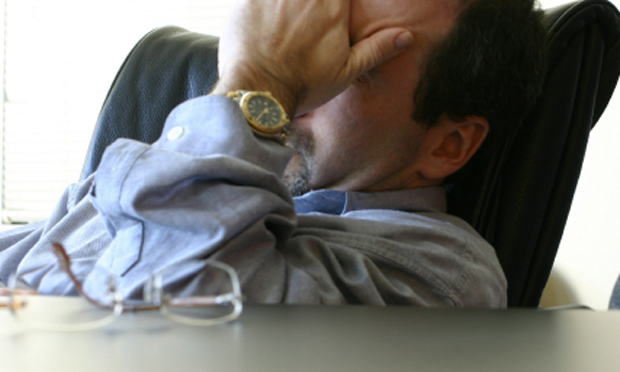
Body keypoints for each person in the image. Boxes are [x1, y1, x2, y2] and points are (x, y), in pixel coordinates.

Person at [0, 0, 547, 306]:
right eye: (305, 43)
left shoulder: (438, 278)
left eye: (354, 64)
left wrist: (261, 78)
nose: (303, 82)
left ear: (448, 145)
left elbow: (155, 329)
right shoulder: (137, 179)